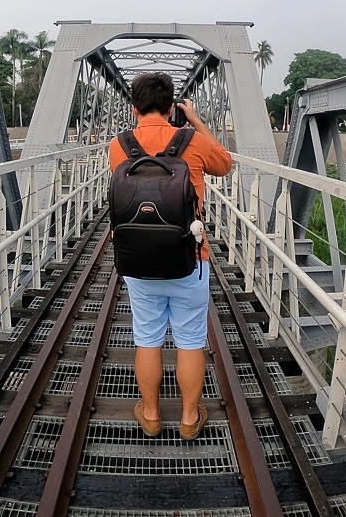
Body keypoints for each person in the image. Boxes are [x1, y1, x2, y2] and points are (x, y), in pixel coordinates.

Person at [108, 72, 233, 440]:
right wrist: (193, 119)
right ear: (171, 105)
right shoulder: (191, 141)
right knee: (190, 339)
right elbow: (224, 164)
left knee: (147, 338)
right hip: (189, 259)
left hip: (137, 260)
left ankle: (150, 415)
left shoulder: (119, 145)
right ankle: (190, 418)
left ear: (134, 107)